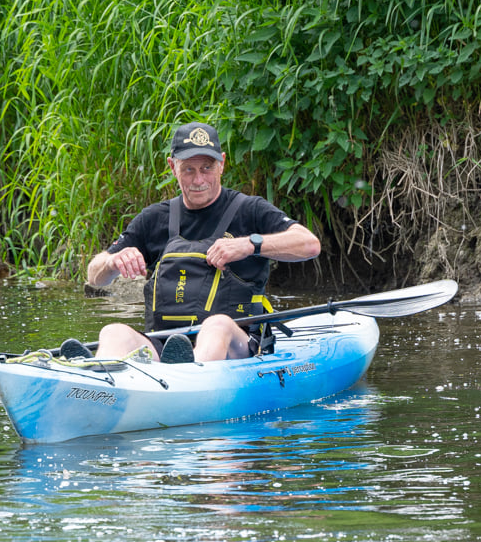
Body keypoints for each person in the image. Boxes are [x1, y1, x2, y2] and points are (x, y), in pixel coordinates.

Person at [80, 121, 321, 363]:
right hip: (163, 345)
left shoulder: (250, 209)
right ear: (172, 167)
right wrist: (112, 261)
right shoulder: (154, 218)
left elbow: (309, 245)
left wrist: (250, 244)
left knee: (217, 326)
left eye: (207, 168)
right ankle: (94, 384)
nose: (198, 180)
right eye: (188, 170)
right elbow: (94, 276)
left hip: (238, 347)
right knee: (113, 332)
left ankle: (192, 376)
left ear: (222, 164)